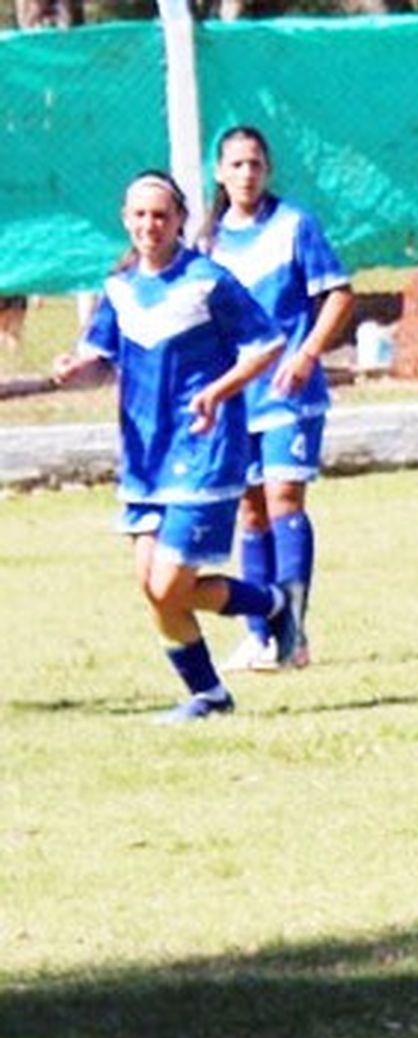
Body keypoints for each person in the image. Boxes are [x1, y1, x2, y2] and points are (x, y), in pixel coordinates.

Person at [53, 170, 298, 724]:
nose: (149, 225)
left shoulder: (208, 280)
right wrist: (74, 368)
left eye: (160, 215)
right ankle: (234, 659)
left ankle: (255, 630)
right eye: (139, 215)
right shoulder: (117, 289)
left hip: (204, 450)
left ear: (180, 220)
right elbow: (99, 361)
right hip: (145, 458)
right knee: (156, 589)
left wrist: (218, 390)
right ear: (125, 219)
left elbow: (267, 345)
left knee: (168, 586)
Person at [200, 125, 354, 673]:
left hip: (289, 393)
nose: (246, 174)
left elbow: (338, 294)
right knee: (249, 507)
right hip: (237, 398)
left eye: (255, 164)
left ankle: (294, 632)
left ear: (268, 171)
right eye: (236, 165)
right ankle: (257, 633)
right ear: (219, 172)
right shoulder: (208, 241)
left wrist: (308, 352)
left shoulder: (295, 226)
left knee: (285, 499)